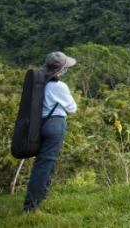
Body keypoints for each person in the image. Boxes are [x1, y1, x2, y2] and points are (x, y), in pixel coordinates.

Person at [23, 51, 78, 213]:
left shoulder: (39, 83)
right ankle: (31, 206)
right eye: (65, 68)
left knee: (44, 162)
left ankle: (41, 196)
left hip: (39, 124)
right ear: (60, 70)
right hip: (55, 124)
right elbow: (72, 109)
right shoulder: (60, 86)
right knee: (45, 164)